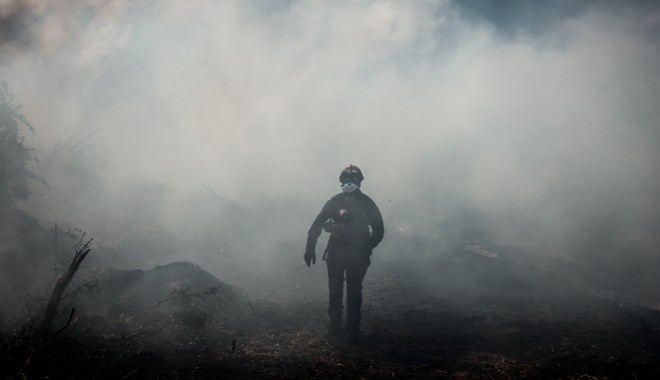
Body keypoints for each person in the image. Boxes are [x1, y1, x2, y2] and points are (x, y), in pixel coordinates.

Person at [304, 164, 384, 343]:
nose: (350, 182)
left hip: (356, 254)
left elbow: (379, 229)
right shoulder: (335, 202)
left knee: (353, 291)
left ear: (360, 181)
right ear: (341, 181)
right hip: (337, 253)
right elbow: (317, 224)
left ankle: (352, 331)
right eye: (346, 179)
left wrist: (367, 247)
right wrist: (310, 248)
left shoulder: (365, 203)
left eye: (353, 179)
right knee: (336, 291)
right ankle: (335, 328)